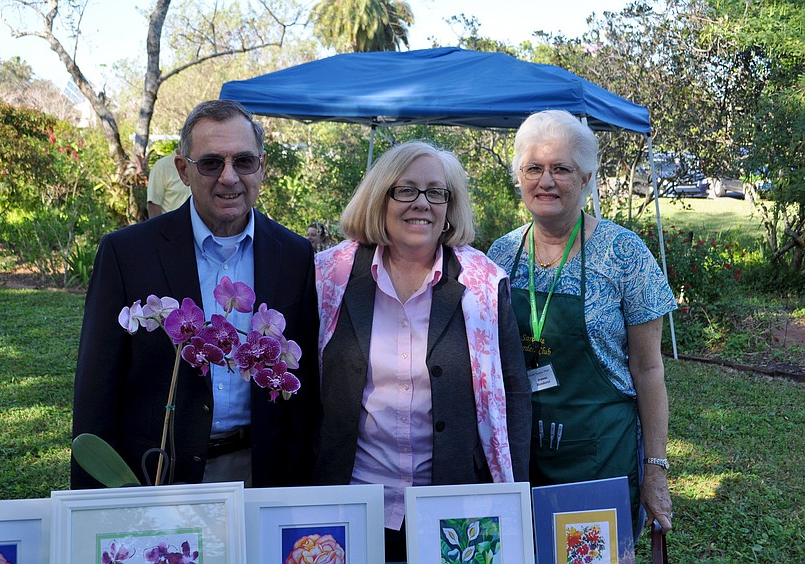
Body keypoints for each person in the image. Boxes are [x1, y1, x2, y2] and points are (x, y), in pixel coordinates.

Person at [71, 100, 319, 489]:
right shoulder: (127, 253)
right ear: (183, 169)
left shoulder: (295, 255)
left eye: (244, 161)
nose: (229, 177)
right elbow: (96, 390)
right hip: (158, 475)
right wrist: (95, 504)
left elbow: (303, 395)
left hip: (262, 471)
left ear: (262, 167)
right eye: (210, 163)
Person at [314, 140, 531, 561]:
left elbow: (514, 394)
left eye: (436, 192)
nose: (422, 203)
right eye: (406, 189)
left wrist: (513, 491)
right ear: (381, 198)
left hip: (453, 507)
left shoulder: (484, 284)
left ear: (450, 206)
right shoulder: (330, 276)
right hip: (353, 503)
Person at [487, 110, 677, 540]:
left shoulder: (624, 254)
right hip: (519, 455)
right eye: (534, 168)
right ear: (519, 176)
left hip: (599, 454)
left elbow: (649, 370)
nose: (546, 181)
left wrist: (656, 468)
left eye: (561, 169)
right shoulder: (500, 255)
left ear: (587, 178)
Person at [147, 151, 191, 217]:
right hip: (172, 225)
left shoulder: (202, 164)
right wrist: (161, 226)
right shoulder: (162, 166)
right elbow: (153, 205)